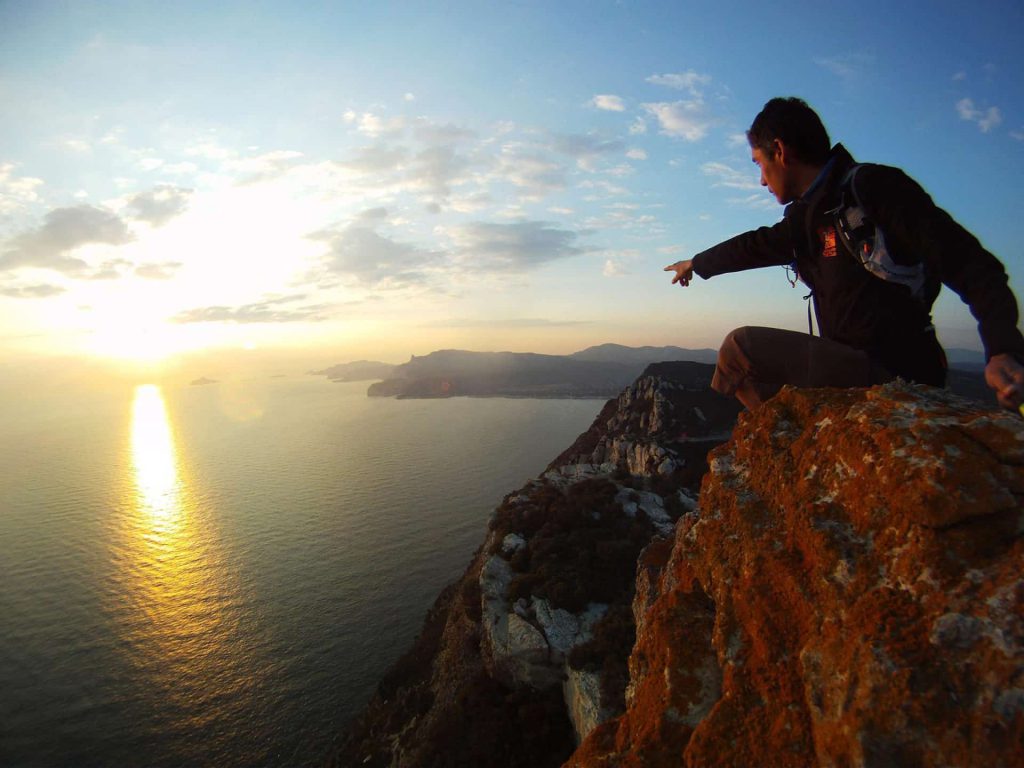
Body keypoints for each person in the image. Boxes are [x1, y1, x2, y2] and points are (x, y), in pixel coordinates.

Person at [665, 97, 1024, 411]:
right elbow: (753, 246)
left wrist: (1002, 349)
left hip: (896, 372)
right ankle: (807, 440)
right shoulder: (807, 220)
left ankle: (797, 445)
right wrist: (697, 263)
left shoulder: (873, 188)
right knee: (750, 367)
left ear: (780, 151)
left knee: (739, 350)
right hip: (852, 366)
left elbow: (972, 265)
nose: (761, 179)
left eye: (759, 163)